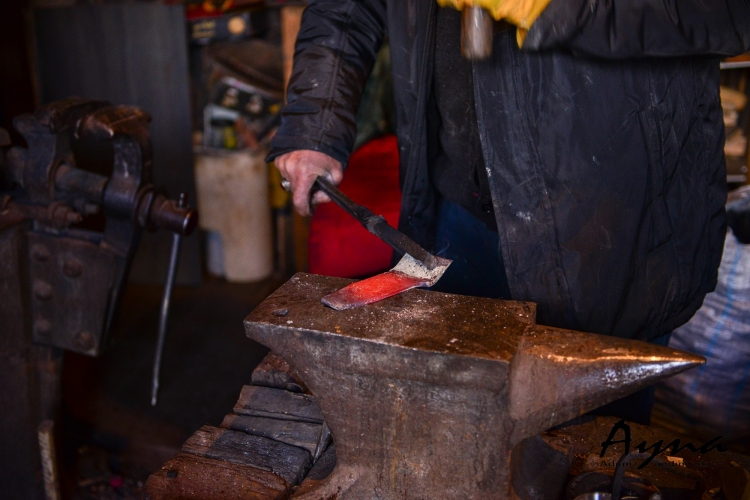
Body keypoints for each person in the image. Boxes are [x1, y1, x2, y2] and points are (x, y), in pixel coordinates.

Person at [269, 1, 748, 346]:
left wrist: (561, 8)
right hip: (455, 214)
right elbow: (346, 7)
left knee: (586, 458)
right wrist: (316, 122)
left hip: (611, 233)